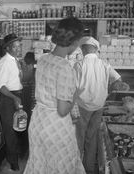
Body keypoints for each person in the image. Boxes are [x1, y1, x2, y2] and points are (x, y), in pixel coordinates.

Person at [23, 17, 85, 174]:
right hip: (55, 127)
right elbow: (63, 110)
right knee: (60, 167)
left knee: (40, 165)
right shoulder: (65, 67)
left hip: (38, 122)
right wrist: (76, 94)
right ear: (75, 41)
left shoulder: (43, 60)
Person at [74, 36, 123, 174]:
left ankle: (77, 169)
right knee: (92, 137)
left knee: (79, 137)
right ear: (95, 49)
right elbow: (118, 79)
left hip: (82, 106)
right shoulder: (104, 64)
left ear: (83, 49)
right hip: (98, 106)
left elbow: (73, 87)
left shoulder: (79, 65)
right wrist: (109, 91)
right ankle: (89, 168)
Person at [0, 33, 23, 171]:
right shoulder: (5, 62)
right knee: (10, 130)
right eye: (16, 46)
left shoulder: (15, 60)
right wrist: (15, 98)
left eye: (19, 46)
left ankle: (15, 155)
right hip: (8, 98)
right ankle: (13, 161)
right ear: (8, 48)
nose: (19, 49)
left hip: (15, 96)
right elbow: (1, 86)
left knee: (18, 127)